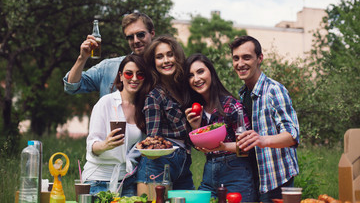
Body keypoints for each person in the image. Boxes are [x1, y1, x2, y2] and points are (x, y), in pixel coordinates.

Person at [229, 35, 300, 203]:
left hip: (276, 179)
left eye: (247, 57)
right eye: (236, 58)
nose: (240, 63)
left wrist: (261, 140)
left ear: (259, 58)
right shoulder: (243, 94)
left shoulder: (274, 90)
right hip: (252, 178)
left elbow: (292, 135)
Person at [183, 53, 256, 201]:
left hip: (236, 172)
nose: (196, 79)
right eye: (191, 75)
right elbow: (201, 148)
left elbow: (248, 147)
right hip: (209, 172)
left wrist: (223, 147)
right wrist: (195, 127)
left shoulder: (232, 106)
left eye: (200, 71)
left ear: (211, 72)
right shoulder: (197, 110)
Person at [82, 54, 151, 196]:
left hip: (127, 180)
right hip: (99, 180)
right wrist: (105, 144)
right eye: (128, 73)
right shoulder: (106, 103)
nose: (134, 78)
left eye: (140, 75)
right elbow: (92, 146)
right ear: (120, 76)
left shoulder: (143, 108)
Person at [136, 35, 195, 195]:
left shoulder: (184, 90)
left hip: (184, 162)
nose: (166, 60)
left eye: (170, 54)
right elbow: (152, 142)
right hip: (158, 164)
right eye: (159, 57)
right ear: (153, 63)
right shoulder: (154, 97)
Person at [63, 12, 155, 98]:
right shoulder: (109, 67)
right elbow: (72, 87)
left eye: (141, 35)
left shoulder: (163, 68)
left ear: (152, 34)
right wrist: (82, 58)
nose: (136, 41)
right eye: (130, 37)